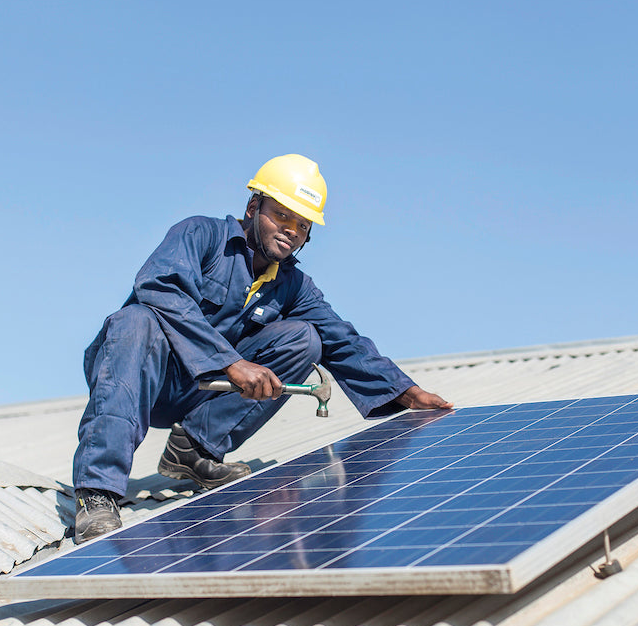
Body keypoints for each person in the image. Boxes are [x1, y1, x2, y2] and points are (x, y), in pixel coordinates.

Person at [72, 154, 451, 543]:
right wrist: (232, 362)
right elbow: (160, 287)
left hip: (200, 394)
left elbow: (342, 339)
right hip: (139, 377)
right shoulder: (200, 235)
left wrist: (406, 392)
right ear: (253, 207)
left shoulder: (293, 285)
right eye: (281, 216)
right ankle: (98, 493)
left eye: (302, 226)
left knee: (307, 338)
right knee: (137, 320)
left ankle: (194, 447)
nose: (291, 231)